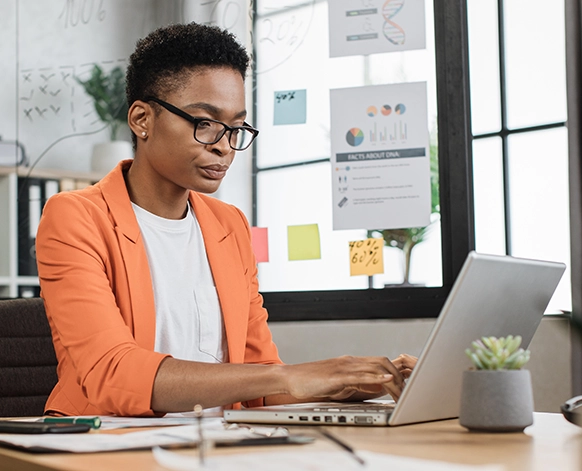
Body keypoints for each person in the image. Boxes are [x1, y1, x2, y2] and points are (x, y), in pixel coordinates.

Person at [37, 22, 417, 417]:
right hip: (108, 444)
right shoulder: (76, 218)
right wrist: (288, 376)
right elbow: (112, 372)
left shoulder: (229, 225)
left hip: (217, 444)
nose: (224, 147)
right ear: (141, 119)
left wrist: (350, 382)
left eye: (235, 128)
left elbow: (259, 385)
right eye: (205, 123)